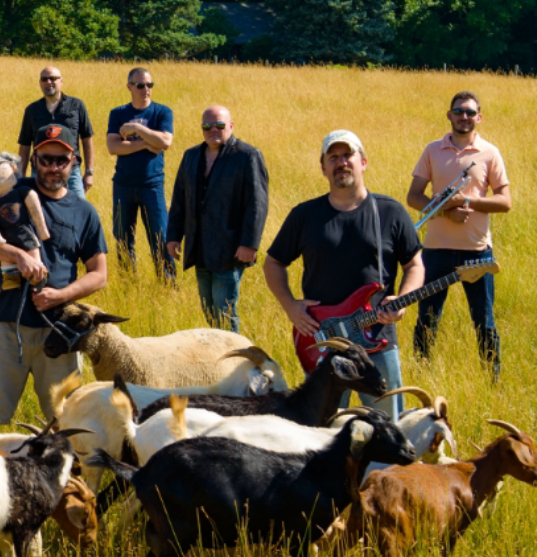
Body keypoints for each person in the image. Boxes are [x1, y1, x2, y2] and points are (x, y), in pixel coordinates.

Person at [265, 130, 423, 418]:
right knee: (322, 434)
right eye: (333, 157)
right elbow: (273, 263)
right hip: (322, 342)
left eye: (348, 155)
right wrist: (290, 306)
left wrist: (402, 299)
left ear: (363, 162)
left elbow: (415, 264)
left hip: (378, 338)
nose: (341, 162)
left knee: (385, 427)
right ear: (323, 167)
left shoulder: (389, 212)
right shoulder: (304, 215)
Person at [0, 124, 107, 427]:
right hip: (4, 324)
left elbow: (99, 274)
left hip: (59, 331)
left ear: (74, 161)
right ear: (33, 159)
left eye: (60, 161)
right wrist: (16, 255)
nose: (53, 168)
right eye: (45, 159)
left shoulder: (83, 211)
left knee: (66, 425)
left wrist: (62, 296)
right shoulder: (9, 193)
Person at [407, 91, 511, 379]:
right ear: (449, 115)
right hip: (435, 250)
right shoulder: (432, 150)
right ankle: (421, 377)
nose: (464, 117)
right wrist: (444, 212)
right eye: (458, 111)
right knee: (427, 321)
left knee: (484, 322)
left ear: (479, 117)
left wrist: (466, 202)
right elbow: (414, 197)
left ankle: (493, 383)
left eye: (469, 112)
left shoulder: (490, 153)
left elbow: (505, 202)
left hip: (478, 252)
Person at [165, 106, 269, 333]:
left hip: (230, 249)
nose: (213, 129)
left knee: (224, 310)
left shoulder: (247, 156)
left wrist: (249, 243)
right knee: (209, 309)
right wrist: (173, 236)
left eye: (220, 125)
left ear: (231, 126)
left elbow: (257, 204)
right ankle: (217, 358)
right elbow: (179, 200)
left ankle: (235, 362)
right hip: (199, 248)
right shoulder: (191, 156)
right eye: (207, 126)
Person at [107, 67, 175, 279]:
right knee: (123, 239)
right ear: (129, 87)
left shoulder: (162, 112)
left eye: (149, 85)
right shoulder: (118, 113)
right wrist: (147, 144)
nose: (146, 89)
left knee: (160, 237)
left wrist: (136, 130)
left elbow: (165, 142)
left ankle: (167, 285)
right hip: (123, 185)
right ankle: (128, 285)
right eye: (140, 85)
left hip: (152, 185)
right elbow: (113, 147)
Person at [17, 66, 96, 198]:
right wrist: (20, 176)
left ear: (61, 81)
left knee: (77, 210)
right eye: (44, 79)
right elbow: (25, 145)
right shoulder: (32, 110)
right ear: (40, 83)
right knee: (39, 210)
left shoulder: (76, 106)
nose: (49, 82)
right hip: (40, 171)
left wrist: (89, 172)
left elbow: (87, 139)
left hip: (71, 170)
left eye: (53, 78)